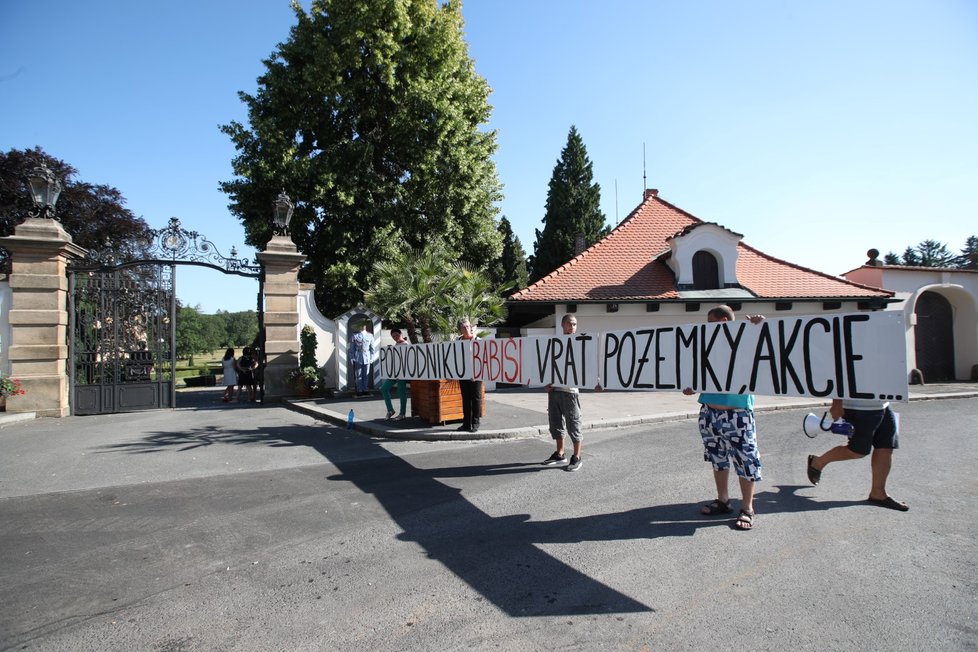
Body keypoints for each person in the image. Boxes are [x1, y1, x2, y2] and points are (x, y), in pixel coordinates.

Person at [682, 305, 765, 531]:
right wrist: (690, 386)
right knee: (717, 457)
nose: (707, 327)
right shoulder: (707, 346)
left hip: (737, 412)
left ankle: (747, 507)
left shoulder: (743, 342)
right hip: (709, 411)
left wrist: (757, 328)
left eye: (711, 322)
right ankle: (723, 500)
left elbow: (763, 353)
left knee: (745, 459)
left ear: (724, 321)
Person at [806, 397, 908, 511]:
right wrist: (837, 403)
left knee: (886, 446)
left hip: (883, 404)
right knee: (858, 451)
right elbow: (841, 378)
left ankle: (878, 493)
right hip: (858, 406)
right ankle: (818, 462)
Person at [541, 314, 602, 472]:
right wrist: (546, 384)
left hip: (570, 392)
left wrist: (597, 382)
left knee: (574, 424)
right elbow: (547, 365)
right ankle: (560, 454)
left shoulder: (582, 344)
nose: (572, 327)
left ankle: (577, 457)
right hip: (555, 391)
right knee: (555, 423)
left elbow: (589, 364)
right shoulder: (554, 344)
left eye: (575, 324)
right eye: (570, 324)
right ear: (562, 325)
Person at [456, 318, 482, 432]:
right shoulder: (458, 341)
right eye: (463, 327)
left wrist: (477, 373)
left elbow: (482, 358)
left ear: (470, 327)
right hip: (463, 374)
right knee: (465, 399)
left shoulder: (478, 340)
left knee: (476, 399)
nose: (466, 328)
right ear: (460, 329)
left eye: (467, 326)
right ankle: (466, 423)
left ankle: (475, 423)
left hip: (476, 374)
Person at [379, 328, 409, 420]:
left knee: (401, 392)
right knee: (383, 388)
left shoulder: (406, 345)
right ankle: (390, 410)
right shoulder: (396, 344)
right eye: (393, 336)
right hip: (394, 372)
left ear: (401, 334)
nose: (395, 337)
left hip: (403, 372)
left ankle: (402, 413)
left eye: (396, 335)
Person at [350, 323, 374, 397]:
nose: (362, 326)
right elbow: (352, 348)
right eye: (360, 325)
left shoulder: (370, 335)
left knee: (366, 375)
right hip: (358, 356)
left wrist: (372, 358)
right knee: (358, 375)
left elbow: (372, 348)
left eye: (363, 325)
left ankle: (365, 389)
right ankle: (359, 390)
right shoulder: (355, 335)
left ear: (365, 326)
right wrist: (352, 357)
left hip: (367, 356)